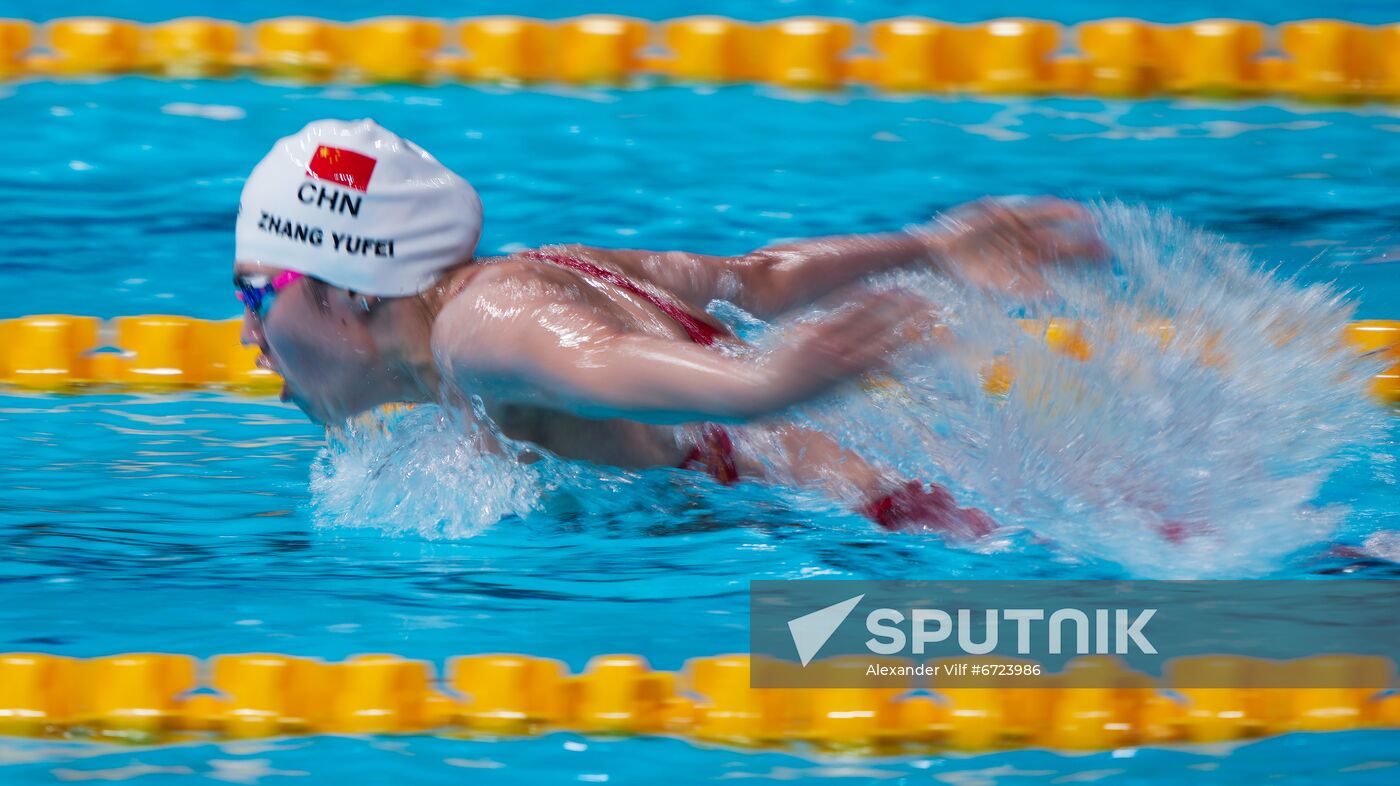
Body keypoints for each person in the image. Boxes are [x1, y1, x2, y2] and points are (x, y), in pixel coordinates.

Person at [234, 119, 1106, 540]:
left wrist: (762, 386)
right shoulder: (548, 267)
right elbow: (761, 277)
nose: (248, 334)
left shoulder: (477, 330)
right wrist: (933, 245)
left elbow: (605, 362)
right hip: (882, 504)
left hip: (852, 539)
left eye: (256, 293)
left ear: (346, 290)